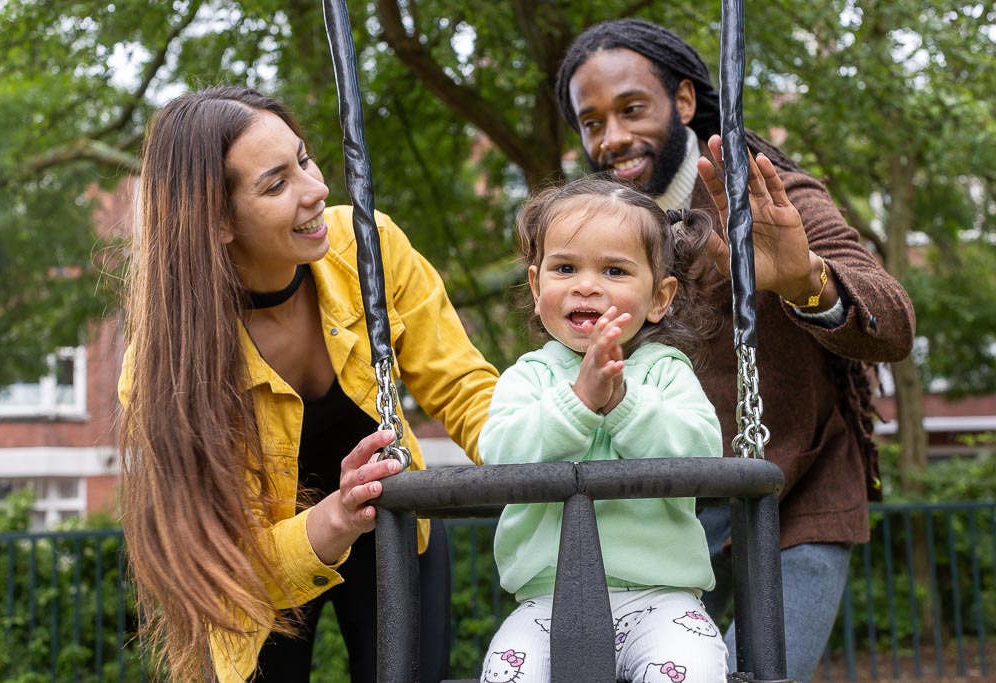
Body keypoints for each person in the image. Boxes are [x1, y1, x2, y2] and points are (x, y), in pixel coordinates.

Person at [554, 19, 915, 682]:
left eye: (632, 108)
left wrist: (806, 280)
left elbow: (890, 321)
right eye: (592, 121)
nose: (612, 138)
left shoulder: (761, 188)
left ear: (684, 102)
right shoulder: (599, 227)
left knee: (760, 670)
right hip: (668, 505)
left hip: (794, 492)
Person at [117, 86, 498, 683]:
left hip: (392, 522)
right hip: (255, 568)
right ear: (214, 221)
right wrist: (334, 518)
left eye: (305, 159)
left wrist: (547, 438)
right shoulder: (165, 367)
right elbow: (221, 555)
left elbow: (464, 388)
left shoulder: (367, 245)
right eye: (276, 184)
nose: (317, 189)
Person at [479, 177, 728, 683]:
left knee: (693, 670)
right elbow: (499, 456)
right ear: (536, 285)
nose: (585, 285)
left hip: (662, 600)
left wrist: (622, 402)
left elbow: (703, 455)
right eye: (565, 268)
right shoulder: (530, 377)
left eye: (614, 269)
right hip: (546, 602)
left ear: (659, 298)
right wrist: (577, 403)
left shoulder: (665, 372)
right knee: (509, 675)